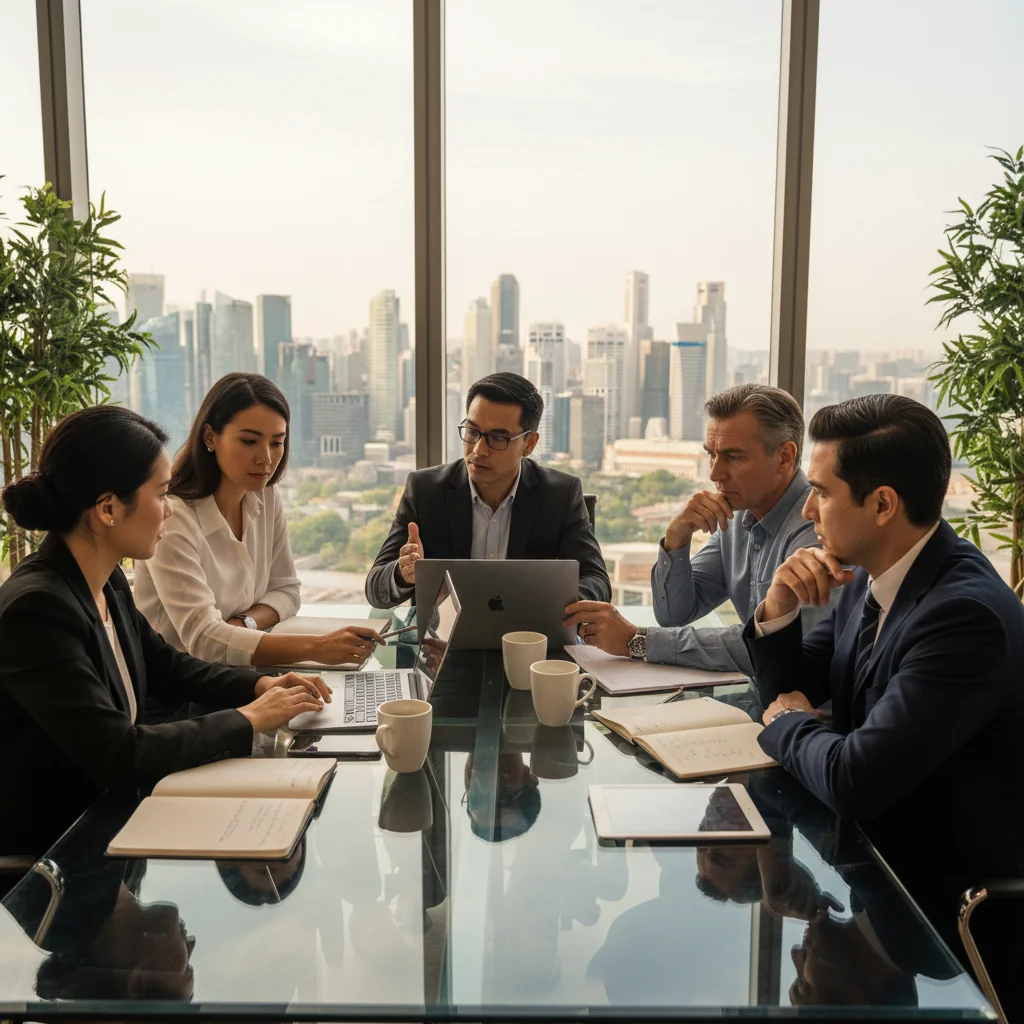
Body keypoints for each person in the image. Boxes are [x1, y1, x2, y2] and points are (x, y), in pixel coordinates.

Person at [744, 394, 1024, 1014]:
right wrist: (776, 609)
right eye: (804, 983)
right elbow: (790, 686)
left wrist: (788, 721)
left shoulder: (962, 617)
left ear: (882, 504)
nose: (808, 509)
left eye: (820, 491)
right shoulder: (873, 576)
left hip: (946, 898)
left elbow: (852, 778)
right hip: (880, 866)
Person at [0, 405, 330, 856]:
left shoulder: (105, 577)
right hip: (60, 850)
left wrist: (262, 685)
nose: (170, 512)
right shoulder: (36, 611)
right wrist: (250, 718)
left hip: (120, 812)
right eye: (160, 496)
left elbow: (167, 666)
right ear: (109, 508)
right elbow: (119, 754)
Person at [563, 384, 833, 674]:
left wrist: (636, 640)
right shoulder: (737, 518)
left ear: (785, 457)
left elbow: (769, 647)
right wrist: (676, 539)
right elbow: (675, 614)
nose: (714, 474)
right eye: (712, 455)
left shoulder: (818, 529)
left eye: (734, 456)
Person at [134, 373, 381, 668]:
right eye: (249, 441)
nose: (265, 458)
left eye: (277, 443)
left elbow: (288, 591)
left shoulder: (265, 495)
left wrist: (241, 624)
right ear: (210, 437)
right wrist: (316, 647)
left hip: (238, 672)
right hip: (179, 690)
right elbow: (203, 640)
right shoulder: (174, 518)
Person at [365, 372, 610, 609]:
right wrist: (402, 573)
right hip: (443, 647)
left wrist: (553, 604)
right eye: (472, 432)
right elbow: (375, 589)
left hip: (529, 642)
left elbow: (597, 582)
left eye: (497, 439)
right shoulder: (426, 491)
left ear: (529, 444)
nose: (479, 450)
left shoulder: (560, 495)